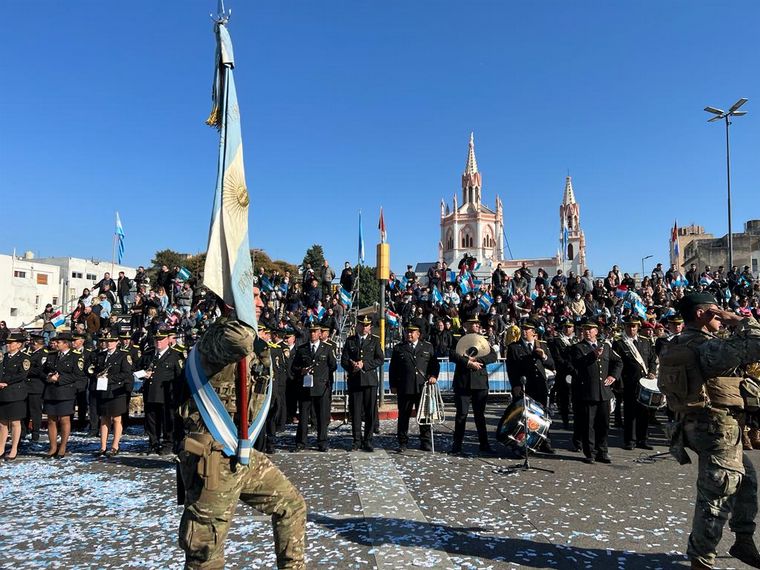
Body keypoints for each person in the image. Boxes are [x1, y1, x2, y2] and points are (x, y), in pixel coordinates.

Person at [177, 287, 306, 569]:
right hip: (212, 457)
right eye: (252, 296)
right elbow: (240, 341)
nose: (260, 302)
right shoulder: (219, 336)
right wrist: (243, 315)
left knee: (292, 505)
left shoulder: (249, 338)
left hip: (238, 453)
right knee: (206, 549)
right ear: (230, 302)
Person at [658, 291, 760, 569]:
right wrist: (739, 319)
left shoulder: (680, 342)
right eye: (717, 311)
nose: (721, 316)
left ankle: (743, 540)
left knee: (746, 480)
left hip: (699, 425)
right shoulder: (707, 347)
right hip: (717, 427)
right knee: (717, 494)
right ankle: (701, 560)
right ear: (703, 313)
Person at [568, 319, 622, 464]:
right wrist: (592, 355)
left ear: (596, 331)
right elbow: (576, 365)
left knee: (603, 424)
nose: (587, 332)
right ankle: (590, 453)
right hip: (587, 392)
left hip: (603, 392)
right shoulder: (577, 348)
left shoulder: (605, 346)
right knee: (588, 425)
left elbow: (618, 362)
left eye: (590, 329)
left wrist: (613, 376)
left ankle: (602, 452)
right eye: (585, 329)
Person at [506, 321, 556, 453]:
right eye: (523, 329)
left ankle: (544, 442)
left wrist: (543, 356)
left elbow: (552, 364)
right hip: (524, 386)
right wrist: (516, 387)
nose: (524, 331)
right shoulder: (514, 347)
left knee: (543, 415)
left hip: (540, 385)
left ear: (533, 332)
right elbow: (511, 370)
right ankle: (523, 444)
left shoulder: (542, 345)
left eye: (527, 329)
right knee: (524, 417)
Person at [388, 324, 440, 452]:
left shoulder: (427, 347)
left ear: (418, 334)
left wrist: (433, 376)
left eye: (412, 332)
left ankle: (425, 441)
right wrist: (393, 385)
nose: (409, 334)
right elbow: (393, 368)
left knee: (424, 415)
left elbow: (434, 364)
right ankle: (403, 442)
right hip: (405, 387)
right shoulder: (399, 348)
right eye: (408, 332)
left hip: (422, 388)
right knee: (404, 416)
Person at [449, 317, 497, 455]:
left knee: (479, 416)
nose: (476, 325)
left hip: (480, 382)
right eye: (473, 324)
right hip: (463, 383)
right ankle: (457, 445)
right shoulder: (458, 339)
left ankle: (484, 444)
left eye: (477, 324)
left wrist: (478, 360)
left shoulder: (483, 340)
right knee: (461, 415)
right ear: (466, 325)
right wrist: (467, 362)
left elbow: (493, 356)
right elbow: (452, 354)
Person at [612, 316, 658, 450]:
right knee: (630, 413)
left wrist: (652, 372)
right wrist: (620, 383)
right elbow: (616, 364)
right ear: (625, 327)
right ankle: (630, 441)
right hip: (629, 382)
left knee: (644, 412)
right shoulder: (619, 343)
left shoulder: (645, 341)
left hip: (644, 383)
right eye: (629, 326)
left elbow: (652, 359)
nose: (631, 329)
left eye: (634, 326)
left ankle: (642, 439)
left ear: (638, 327)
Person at [341, 316, 385, 452]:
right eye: (362, 325)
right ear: (357, 326)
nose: (364, 327)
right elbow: (344, 360)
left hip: (369, 381)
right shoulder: (350, 341)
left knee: (370, 412)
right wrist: (352, 366)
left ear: (370, 327)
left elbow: (380, 359)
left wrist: (364, 364)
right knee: (355, 412)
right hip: (355, 380)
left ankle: (368, 440)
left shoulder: (375, 341)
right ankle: (356, 440)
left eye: (367, 325)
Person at [291, 324, 336, 452]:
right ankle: (301, 442)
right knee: (303, 417)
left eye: (315, 332)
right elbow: (294, 367)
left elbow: (332, 366)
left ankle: (322, 442)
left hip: (321, 387)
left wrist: (324, 377)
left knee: (321, 416)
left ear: (320, 333)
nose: (313, 334)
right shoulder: (302, 349)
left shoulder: (327, 348)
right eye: (311, 332)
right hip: (305, 387)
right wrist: (302, 370)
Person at [43, 332, 86, 459]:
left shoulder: (76, 356)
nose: (56, 344)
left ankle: (63, 447)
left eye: (59, 342)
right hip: (51, 391)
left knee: (64, 419)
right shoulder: (51, 355)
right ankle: (52, 447)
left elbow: (78, 375)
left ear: (66, 344)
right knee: (51, 420)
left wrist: (60, 379)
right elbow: (43, 370)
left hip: (66, 391)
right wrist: (48, 377)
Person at [141, 330, 183, 455]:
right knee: (151, 419)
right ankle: (153, 443)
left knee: (167, 420)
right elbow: (137, 368)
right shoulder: (149, 354)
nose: (158, 342)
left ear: (168, 340)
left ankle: (168, 443)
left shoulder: (175, 355)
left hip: (166, 394)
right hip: (150, 392)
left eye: (161, 339)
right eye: (156, 340)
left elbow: (180, 376)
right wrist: (143, 374)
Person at [94, 333, 133, 457]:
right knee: (104, 418)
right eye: (107, 341)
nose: (109, 343)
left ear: (117, 342)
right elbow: (94, 369)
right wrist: (97, 375)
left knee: (116, 418)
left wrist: (109, 379)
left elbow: (126, 373)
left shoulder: (123, 355)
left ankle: (115, 446)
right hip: (103, 390)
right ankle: (103, 446)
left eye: (112, 341)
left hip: (117, 390)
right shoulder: (101, 355)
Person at [0, 332, 30, 460]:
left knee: (15, 422)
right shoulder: (4, 357)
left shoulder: (24, 358)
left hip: (15, 393)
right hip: (3, 392)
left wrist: (5, 381)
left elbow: (21, 375)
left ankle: (14, 448)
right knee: (2, 422)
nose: (8, 345)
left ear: (18, 345)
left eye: (11, 343)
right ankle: (1, 448)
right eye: (7, 343)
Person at [24, 333, 48, 442]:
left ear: (36, 343)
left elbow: (39, 370)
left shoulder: (43, 354)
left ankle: (35, 434)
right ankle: (23, 432)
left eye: (32, 342)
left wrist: (26, 371)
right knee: (25, 411)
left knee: (35, 412)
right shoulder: (30, 353)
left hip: (36, 386)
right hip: (27, 386)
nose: (30, 344)